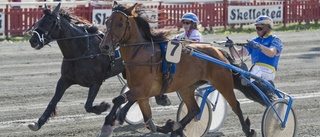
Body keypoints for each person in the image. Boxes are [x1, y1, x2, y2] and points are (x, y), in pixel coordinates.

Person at [226, 15, 283, 101]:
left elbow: (271, 53)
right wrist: (231, 47)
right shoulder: (254, 40)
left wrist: (259, 46)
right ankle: (249, 83)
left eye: (259, 28)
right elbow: (237, 55)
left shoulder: (275, 39)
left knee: (256, 69)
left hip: (269, 71)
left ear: (268, 27)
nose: (257, 31)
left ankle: (261, 84)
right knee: (248, 70)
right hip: (256, 72)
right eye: (256, 28)